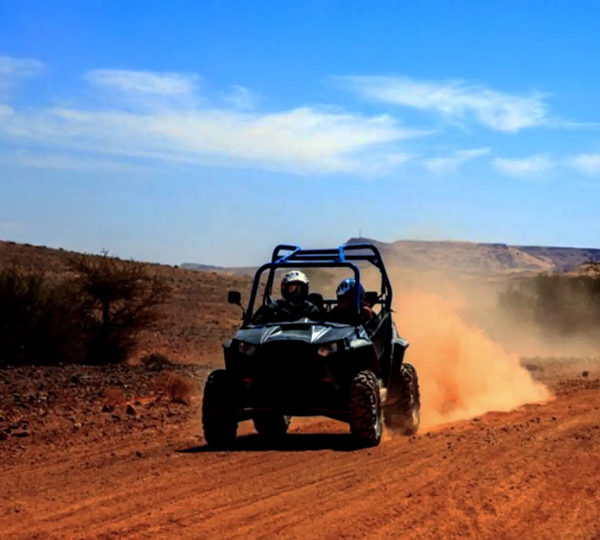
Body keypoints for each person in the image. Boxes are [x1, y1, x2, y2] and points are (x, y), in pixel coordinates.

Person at [252, 270, 321, 324]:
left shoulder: (311, 310)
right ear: (284, 289)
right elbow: (253, 327)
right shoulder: (272, 309)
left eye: (300, 289)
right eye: (292, 289)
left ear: (305, 290)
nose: (296, 293)